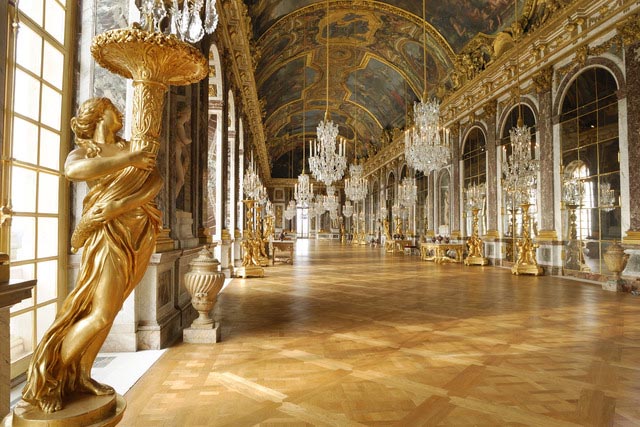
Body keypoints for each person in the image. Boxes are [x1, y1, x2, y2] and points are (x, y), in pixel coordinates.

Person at [22, 98, 162, 413]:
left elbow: (155, 180)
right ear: (99, 115)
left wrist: (122, 205)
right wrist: (129, 160)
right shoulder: (87, 151)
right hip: (106, 236)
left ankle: (82, 375)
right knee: (99, 312)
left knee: (110, 312)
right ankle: (52, 377)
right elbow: (73, 170)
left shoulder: (130, 146)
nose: (121, 112)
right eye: (114, 108)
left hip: (138, 232)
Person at [174, 105, 192, 200]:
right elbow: (184, 140)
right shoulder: (179, 125)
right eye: (188, 114)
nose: (188, 117)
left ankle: (173, 199)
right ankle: (172, 199)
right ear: (183, 114)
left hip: (178, 153)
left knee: (180, 180)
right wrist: (192, 140)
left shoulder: (180, 125)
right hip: (176, 155)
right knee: (181, 180)